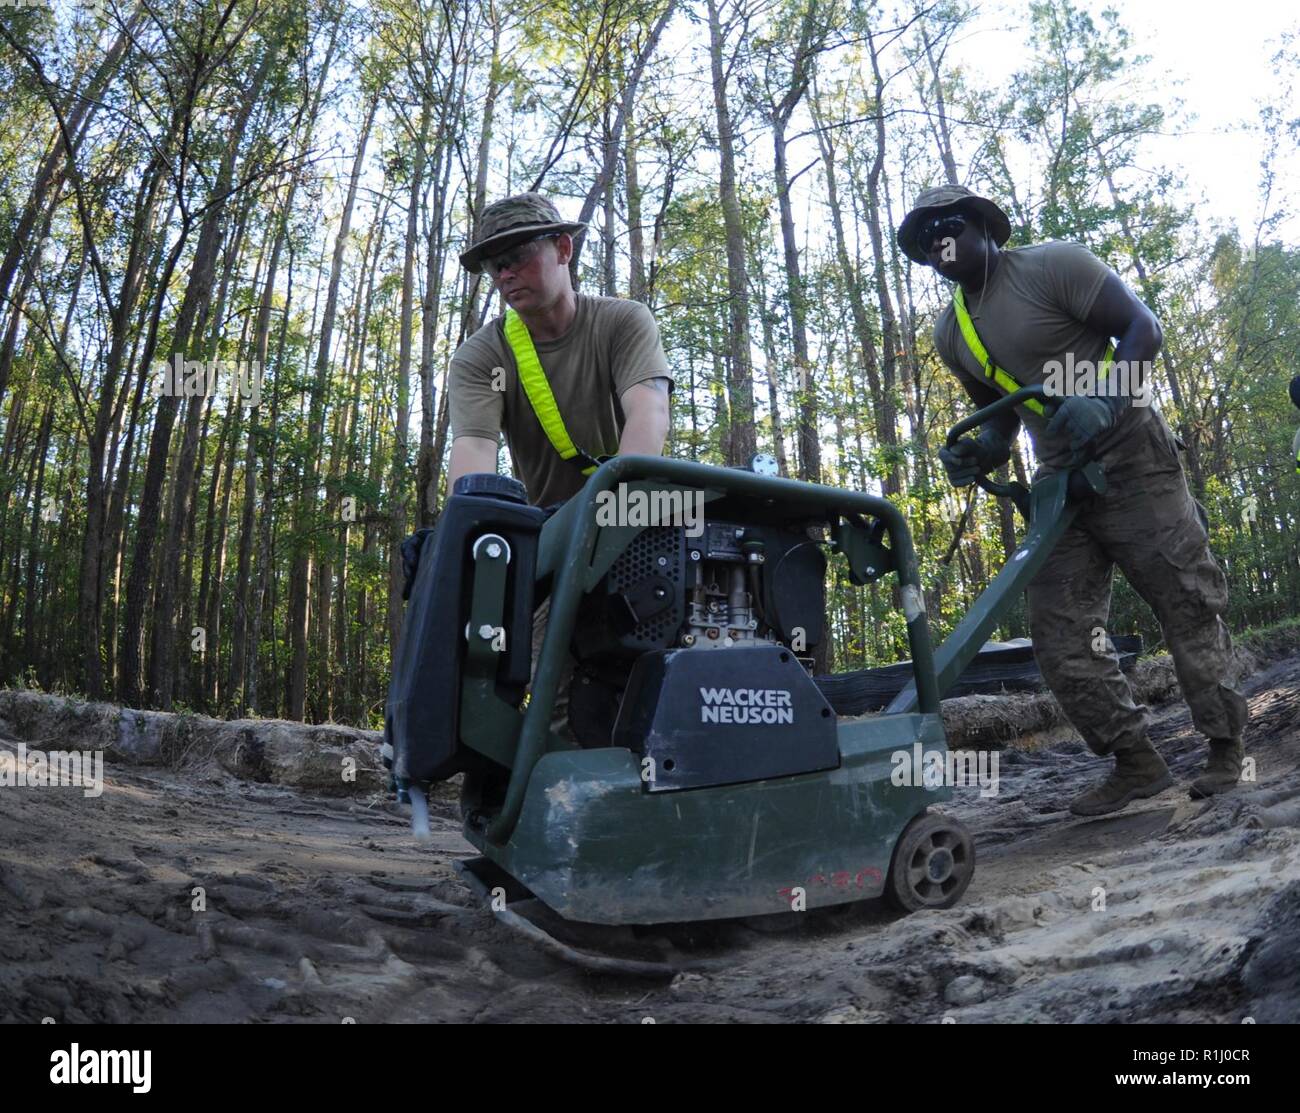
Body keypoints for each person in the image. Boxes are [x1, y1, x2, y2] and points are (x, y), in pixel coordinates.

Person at [897, 184, 1249, 816]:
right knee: (1059, 633)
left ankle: (1227, 749)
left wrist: (1107, 398)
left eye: (949, 226)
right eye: (926, 240)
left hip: (1133, 455)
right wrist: (983, 448)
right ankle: (1135, 762)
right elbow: (999, 415)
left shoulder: (1054, 266)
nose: (939, 243)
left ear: (984, 227)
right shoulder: (953, 331)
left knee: (1186, 599)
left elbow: (1143, 328)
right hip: (1060, 482)